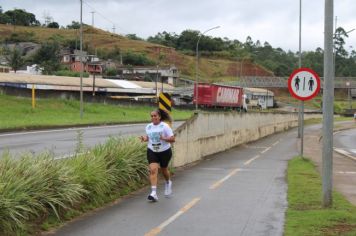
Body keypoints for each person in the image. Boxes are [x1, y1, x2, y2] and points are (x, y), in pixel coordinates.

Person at [140, 109, 175, 202]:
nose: (153, 117)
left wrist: (164, 138)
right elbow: (149, 137)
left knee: (164, 170)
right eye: (151, 116)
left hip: (165, 151)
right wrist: (144, 138)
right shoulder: (148, 127)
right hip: (152, 150)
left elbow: (172, 139)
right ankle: (154, 193)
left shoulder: (165, 126)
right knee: (153, 170)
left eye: (155, 116)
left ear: (159, 117)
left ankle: (168, 182)